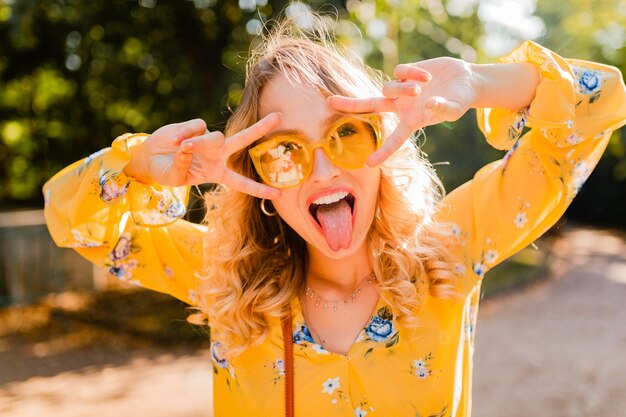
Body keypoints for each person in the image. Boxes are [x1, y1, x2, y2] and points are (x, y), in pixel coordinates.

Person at [43, 13, 626, 417]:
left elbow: (598, 106)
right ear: (258, 178)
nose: (323, 171)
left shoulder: (450, 248)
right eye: (284, 151)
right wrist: (139, 167)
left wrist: (480, 84)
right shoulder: (223, 277)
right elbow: (73, 220)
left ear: (385, 144)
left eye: (346, 134)